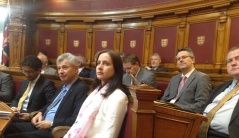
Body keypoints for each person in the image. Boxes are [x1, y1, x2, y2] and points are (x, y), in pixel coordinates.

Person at [4, 53, 90, 138]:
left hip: (54, 130)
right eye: (59, 68)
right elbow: (50, 105)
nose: (60, 71)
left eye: (65, 67)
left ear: (76, 69)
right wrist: (40, 113)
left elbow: (76, 119)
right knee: (5, 128)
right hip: (40, 123)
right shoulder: (63, 86)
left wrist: (51, 123)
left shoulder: (81, 88)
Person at [64, 49, 129, 138]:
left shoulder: (118, 97)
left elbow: (109, 135)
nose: (99, 67)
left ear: (116, 69)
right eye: (98, 63)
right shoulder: (95, 92)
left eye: (106, 64)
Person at [197, 46, 239, 138]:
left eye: (237, 59)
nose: (233, 63)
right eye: (230, 61)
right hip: (197, 130)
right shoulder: (221, 87)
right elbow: (202, 109)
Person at [160, 47, 211, 112]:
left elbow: (201, 104)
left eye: (184, 57)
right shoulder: (174, 79)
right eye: (178, 59)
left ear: (193, 60)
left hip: (184, 114)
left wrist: (176, 108)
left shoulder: (201, 78)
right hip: (166, 112)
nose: (180, 60)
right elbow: (164, 98)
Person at [10, 55, 56, 121]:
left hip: (30, 117)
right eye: (24, 71)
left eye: (29, 72)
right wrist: (14, 107)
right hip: (17, 114)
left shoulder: (47, 83)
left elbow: (51, 104)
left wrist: (32, 115)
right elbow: (17, 99)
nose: (26, 74)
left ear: (39, 70)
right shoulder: (25, 82)